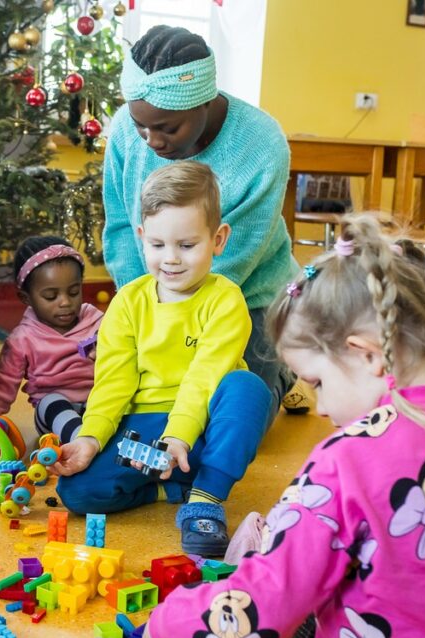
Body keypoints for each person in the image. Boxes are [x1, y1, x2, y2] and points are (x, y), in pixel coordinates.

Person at [140, 213, 425, 638]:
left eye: (317, 382)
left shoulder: (344, 459)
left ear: (367, 354)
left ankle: (259, 551)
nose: (323, 407)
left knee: (304, 581)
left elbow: (263, 614)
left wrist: (171, 621)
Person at [52, 161, 273, 556]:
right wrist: (89, 437)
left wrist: (179, 437)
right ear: (141, 237)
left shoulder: (225, 300)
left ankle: (205, 497)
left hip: (204, 422)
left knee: (249, 388)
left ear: (218, 239)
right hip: (145, 425)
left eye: (187, 245)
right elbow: (113, 382)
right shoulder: (128, 303)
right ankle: (172, 485)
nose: (170, 259)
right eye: (157, 245)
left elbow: (205, 378)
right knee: (77, 492)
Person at [102, 25, 299, 412]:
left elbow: (237, 255)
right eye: (141, 125)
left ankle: (284, 369)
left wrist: (176, 324)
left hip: (244, 296)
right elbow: (123, 228)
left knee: (230, 418)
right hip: (155, 294)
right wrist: (142, 311)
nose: (152, 141)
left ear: (204, 102)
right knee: (132, 405)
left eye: (167, 128)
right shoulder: (127, 132)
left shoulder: (262, 143)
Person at [0, 236, 104, 443]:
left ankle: (103, 439)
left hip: (99, 405)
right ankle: (82, 443)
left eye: (74, 292)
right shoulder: (23, 339)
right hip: (53, 415)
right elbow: (1, 389)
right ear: (26, 298)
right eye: (51, 296)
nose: (65, 302)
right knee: (52, 402)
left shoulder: (97, 321)